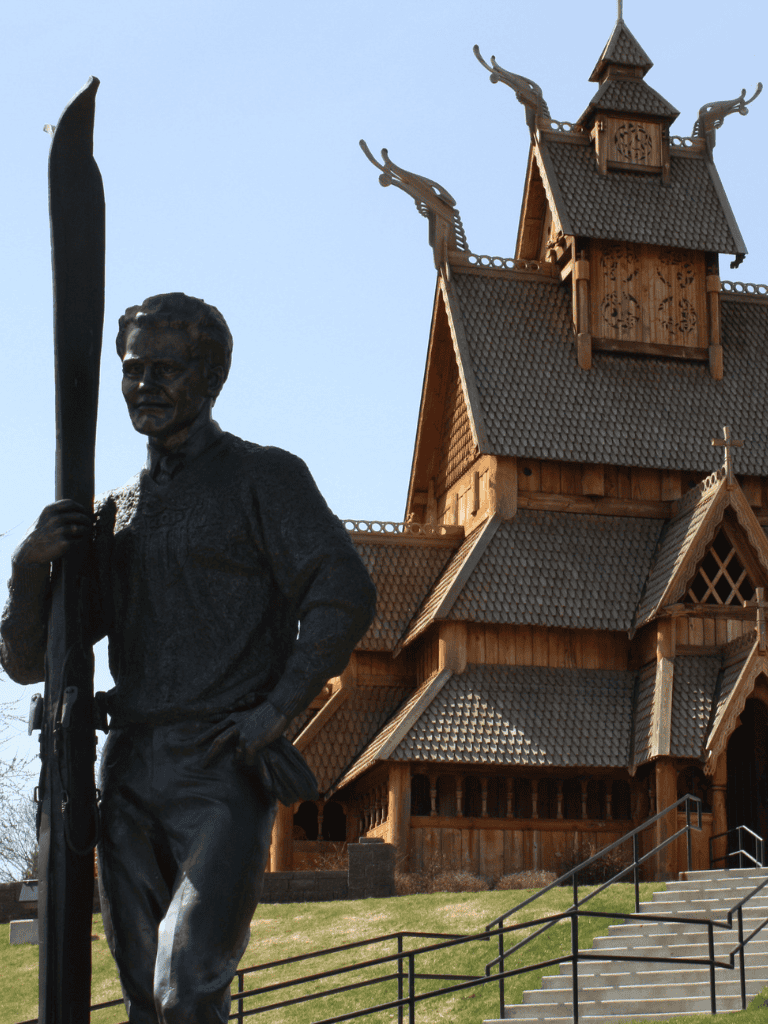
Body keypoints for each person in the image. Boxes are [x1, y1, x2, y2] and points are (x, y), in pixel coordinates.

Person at [0, 292, 376, 1024]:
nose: (146, 385)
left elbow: (344, 595)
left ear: (209, 380)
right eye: (135, 369)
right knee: (145, 995)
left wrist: (274, 711)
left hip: (220, 767)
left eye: (166, 369)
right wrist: (26, 569)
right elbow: (26, 664)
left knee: (189, 978)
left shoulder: (262, 479)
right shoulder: (114, 513)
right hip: (130, 768)